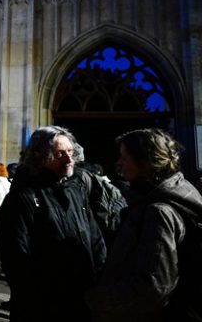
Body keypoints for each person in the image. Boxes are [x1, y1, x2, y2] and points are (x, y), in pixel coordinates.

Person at [85, 129, 202, 321]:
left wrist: (94, 299)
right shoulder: (173, 193)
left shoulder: (159, 211)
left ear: (146, 163)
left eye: (124, 157)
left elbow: (153, 287)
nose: (119, 164)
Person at [0, 126, 105, 322]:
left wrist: (97, 283)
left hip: (82, 301)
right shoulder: (23, 197)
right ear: (39, 156)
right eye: (60, 154)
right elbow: (17, 258)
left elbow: (95, 241)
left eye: (70, 152)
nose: (68, 159)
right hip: (43, 306)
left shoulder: (75, 191)